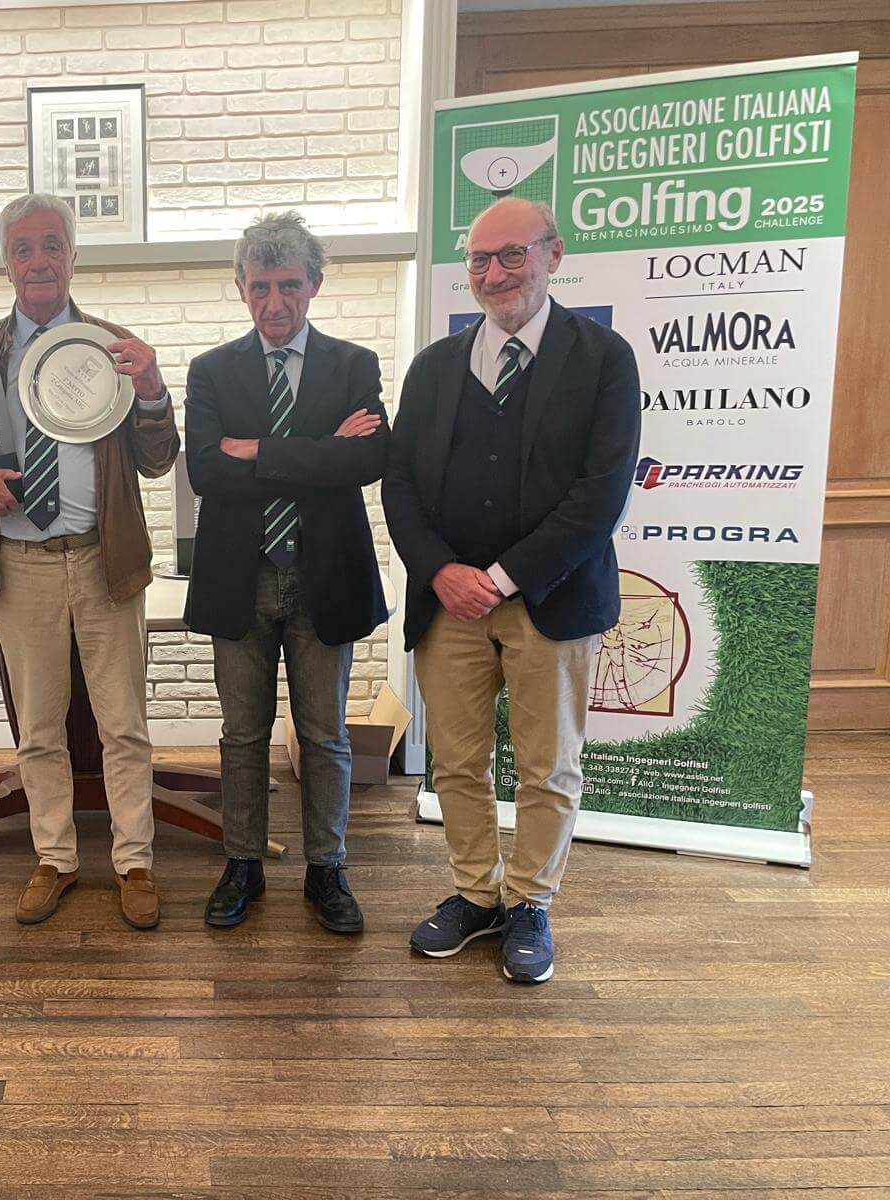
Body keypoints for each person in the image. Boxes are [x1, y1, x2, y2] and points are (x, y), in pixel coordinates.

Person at [0, 193, 180, 930]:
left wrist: (152, 392)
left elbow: (158, 460)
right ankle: (55, 857)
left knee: (124, 725)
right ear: (6, 263)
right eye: (23, 248)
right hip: (19, 565)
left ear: (73, 256)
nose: (39, 260)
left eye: (52, 245)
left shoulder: (115, 349)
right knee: (39, 728)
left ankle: (135, 862)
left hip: (105, 562)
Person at [382, 198, 640, 984]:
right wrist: (439, 571)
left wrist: (499, 578)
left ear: (553, 255)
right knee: (456, 765)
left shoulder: (603, 359)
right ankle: (476, 894)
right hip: (448, 606)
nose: (494, 274)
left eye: (512, 255)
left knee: (547, 767)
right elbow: (400, 484)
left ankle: (530, 902)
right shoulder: (434, 367)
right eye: (479, 259)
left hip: (550, 603)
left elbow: (600, 495)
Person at [184, 212, 389, 933]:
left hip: (324, 576)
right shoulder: (211, 371)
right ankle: (242, 862)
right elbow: (206, 472)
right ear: (241, 287)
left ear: (315, 285)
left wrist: (257, 450)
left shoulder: (353, 365)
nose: (276, 303)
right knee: (242, 734)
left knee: (325, 734)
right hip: (238, 578)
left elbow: (368, 459)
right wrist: (318, 450)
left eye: (290, 286)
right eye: (261, 287)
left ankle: (326, 868)